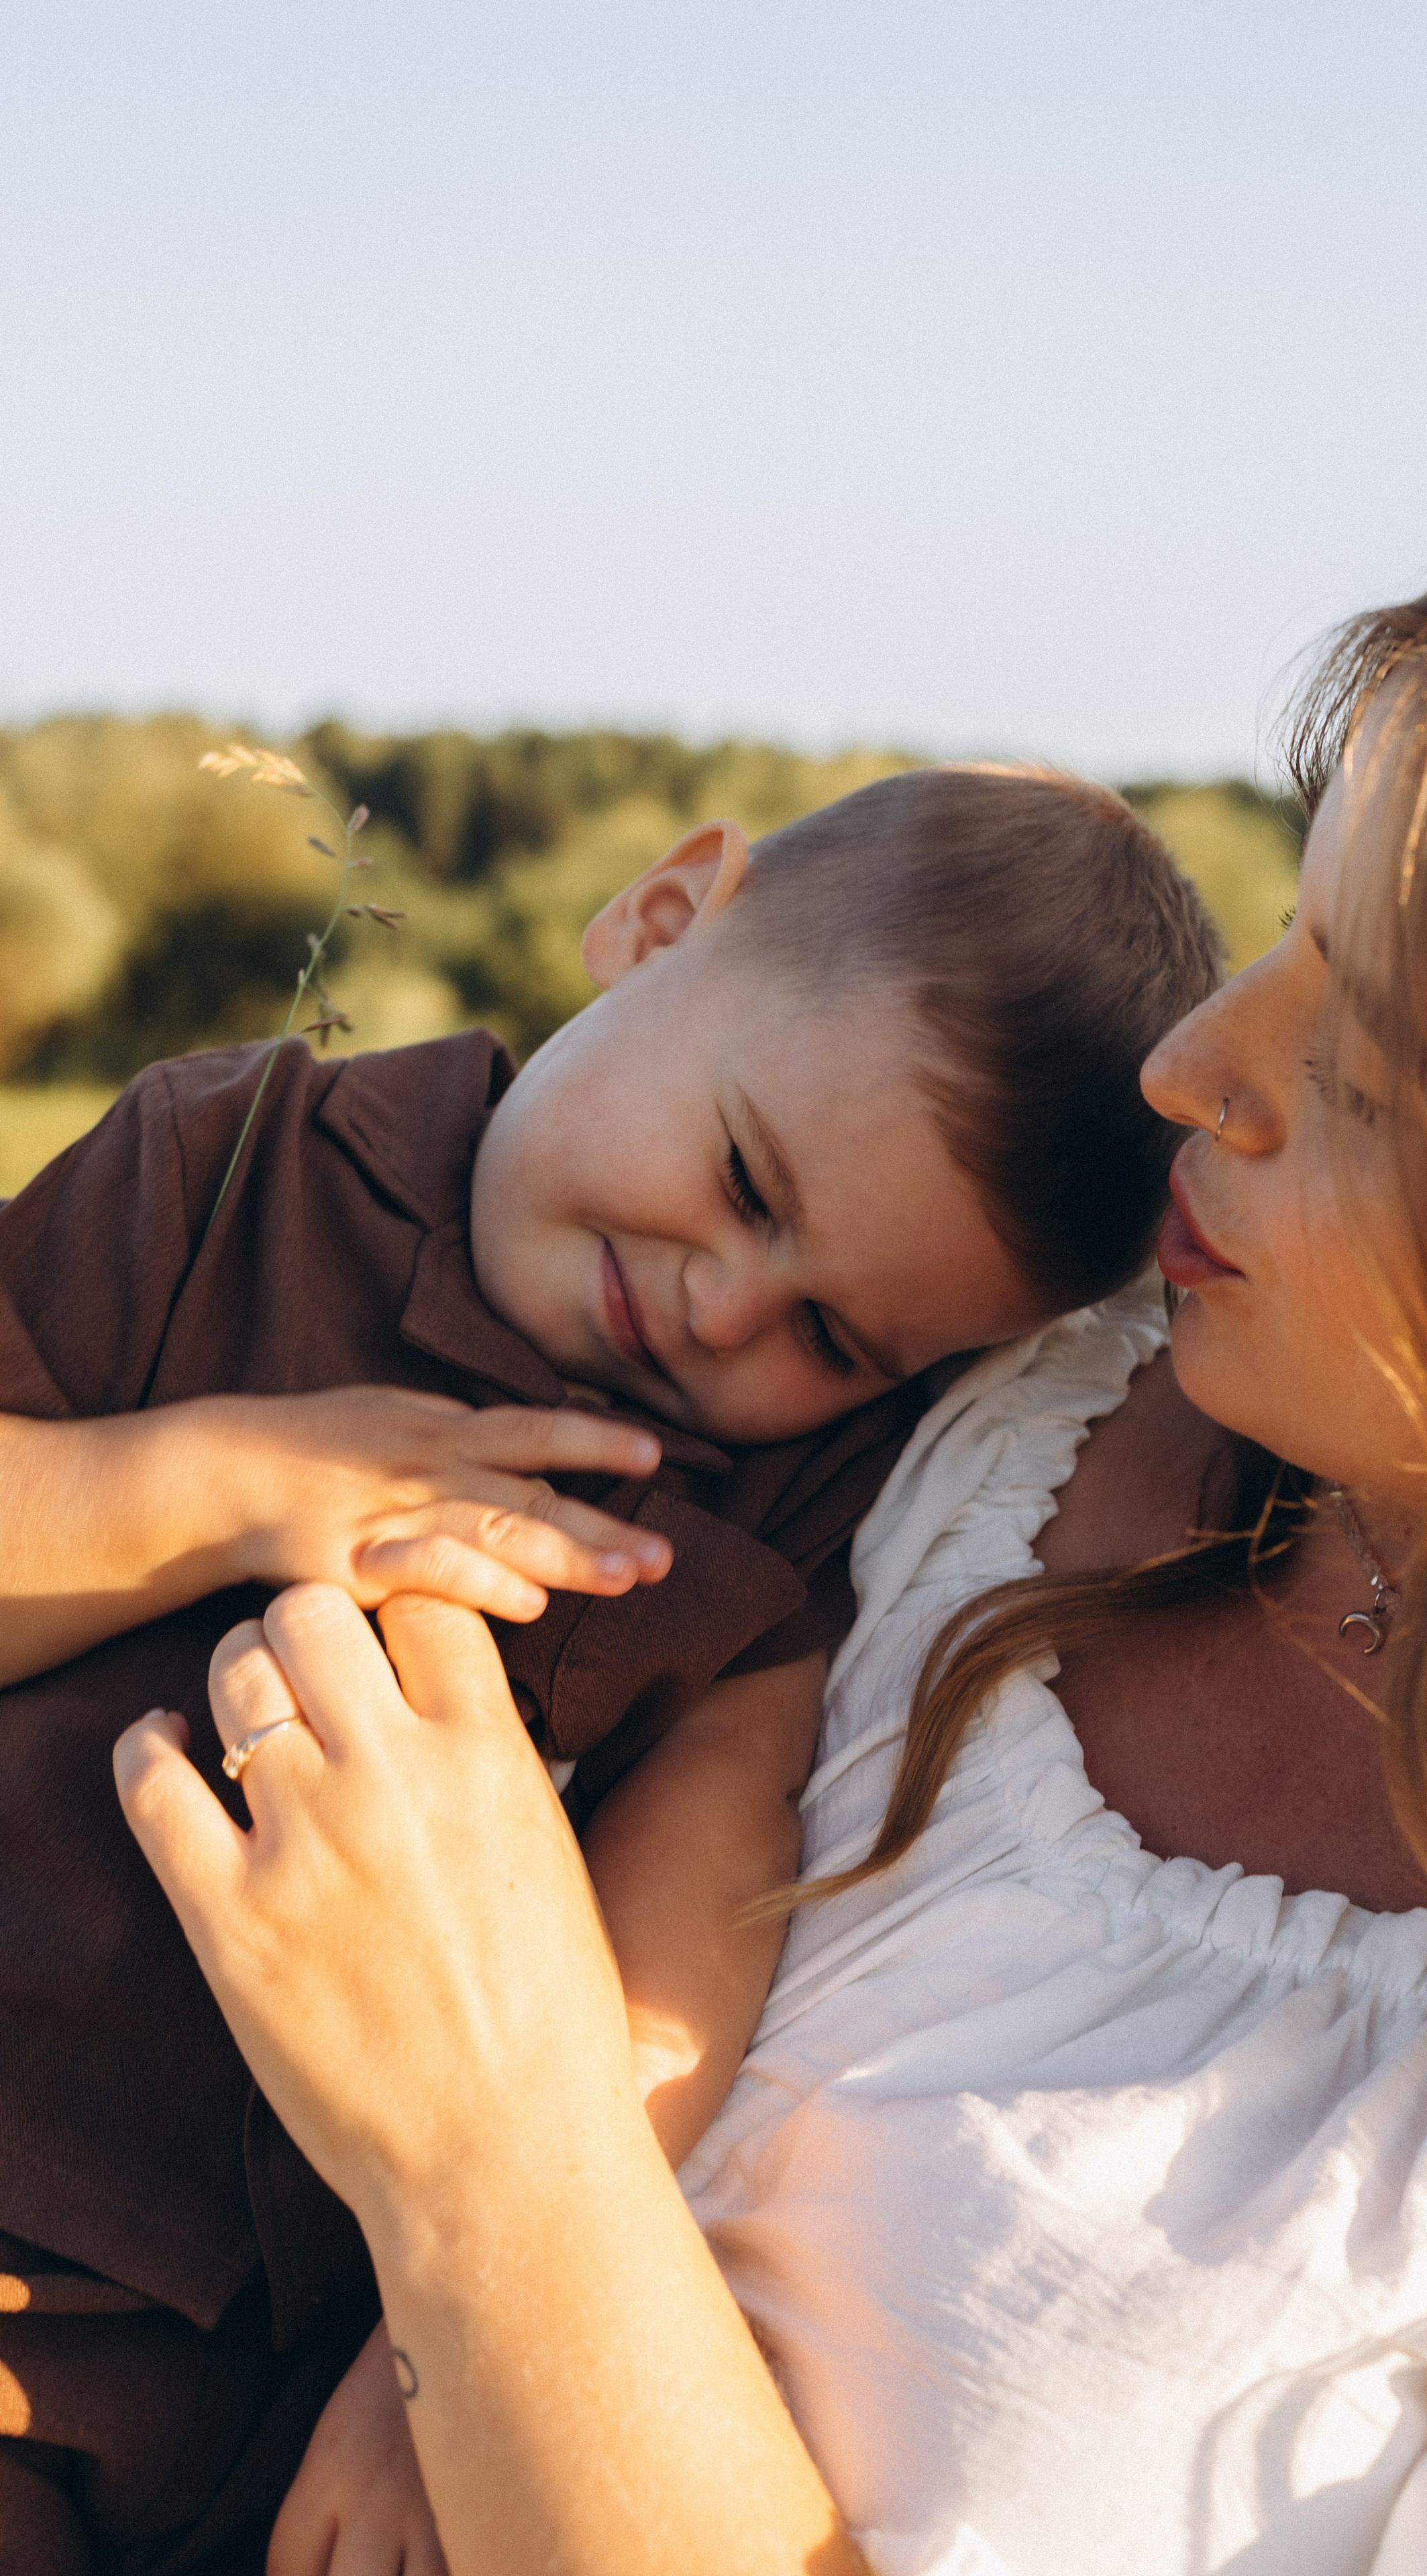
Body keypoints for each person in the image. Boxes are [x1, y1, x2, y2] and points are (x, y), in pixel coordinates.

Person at [117, 492, 1427, 2576]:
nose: (1186, 1068)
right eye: (1292, 932)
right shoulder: (981, 1402)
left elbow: (500, 2162)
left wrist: (488, 2191)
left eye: (1369, 1068)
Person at [0, 761, 1220, 2571]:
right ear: (658, 923)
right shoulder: (230, 1173)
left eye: (833, 1335)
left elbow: (694, 1912)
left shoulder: (784, 1505)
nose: (724, 1307)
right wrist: (227, 1485)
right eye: (745, 1181)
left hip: (281, 2392)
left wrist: (446, 2348)